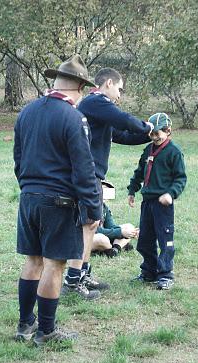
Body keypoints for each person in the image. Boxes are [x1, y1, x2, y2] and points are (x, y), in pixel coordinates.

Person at [13, 54, 101, 346]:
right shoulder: (74, 117)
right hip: (59, 202)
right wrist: (93, 207)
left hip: (29, 197)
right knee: (55, 265)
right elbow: (84, 169)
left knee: (33, 260)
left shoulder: (27, 111)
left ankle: (25, 324)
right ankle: (46, 331)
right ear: (78, 86)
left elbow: (18, 158)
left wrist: (29, 187)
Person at [62, 67, 154, 297]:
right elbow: (123, 120)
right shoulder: (96, 102)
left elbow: (120, 134)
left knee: (91, 225)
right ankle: (74, 281)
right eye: (119, 89)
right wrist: (149, 126)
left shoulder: (99, 109)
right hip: (86, 173)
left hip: (92, 174)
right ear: (109, 83)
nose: (120, 96)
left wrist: (147, 136)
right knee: (86, 226)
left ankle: (82, 273)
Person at [127, 112, 187, 290]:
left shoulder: (174, 152)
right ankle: (149, 272)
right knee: (145, 240)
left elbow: (180, 179)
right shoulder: (148, 149)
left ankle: (165, 274)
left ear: (168, 131)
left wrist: (171, 193)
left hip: (163, 205)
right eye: (152, 134)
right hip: (147, 203)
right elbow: (139, 171)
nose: (154, 137)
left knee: (165, 240)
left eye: (158, 133)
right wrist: (132, 190)